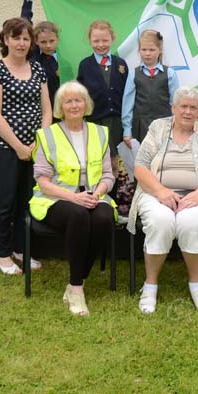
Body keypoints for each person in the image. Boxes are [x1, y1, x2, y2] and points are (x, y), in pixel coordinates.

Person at [128, 87, 198, 314]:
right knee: (161, 221)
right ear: (174, 108)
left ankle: (196, 285)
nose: (188, 111)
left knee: (191, 222)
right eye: (183, 106)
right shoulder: (158, 128)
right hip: (156, 193)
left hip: (195, 194)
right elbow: (140, 167)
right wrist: (161, 192)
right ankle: (150, 285)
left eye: (193, 107)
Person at [29, 81, 117, 316]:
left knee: (103, 217)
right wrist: (74, 198)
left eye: (78, 100)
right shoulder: (47, 135)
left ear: (86, 104)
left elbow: (109, 174)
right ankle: (77, 289)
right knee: (79, 215)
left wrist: (96, 194)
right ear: (60, 106)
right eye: (68, 101)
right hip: (55, 199)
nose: (74, 105)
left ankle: (75, 282)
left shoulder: (101, 132)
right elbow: (42, 181)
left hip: (93, 195)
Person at [0, 18, 51, 275]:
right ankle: (1, 254)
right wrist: (19, 146)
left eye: (26, 38)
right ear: (5, 40)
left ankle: (21, 249)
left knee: (29, 201)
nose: (21, 43)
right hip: (7, 148)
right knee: (5, 201)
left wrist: (37, 143)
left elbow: (47, 110)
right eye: (16, 38)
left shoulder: (38, 69)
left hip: (35, 147)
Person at [77, 20, 128, 182]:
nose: (101, 45)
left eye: (105, 40)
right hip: (96, 121)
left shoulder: (121, 64)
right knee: (102, 161)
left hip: (117, 121)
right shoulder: (85, 65)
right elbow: (81, 94)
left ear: (112, 38)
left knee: (117, 162)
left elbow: (127, 93)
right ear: (89, 41)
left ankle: (118, 198)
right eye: (96, 41)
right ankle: (101, 196)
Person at [122, 29, 179, 147]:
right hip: (140, 127)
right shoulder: (134, 74)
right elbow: (127, 105)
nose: (147, 53)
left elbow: (175, 103)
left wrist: (176, 127)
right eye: (144, 49)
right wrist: (127, 130)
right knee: (142, 162)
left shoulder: (170, 74)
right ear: (139, 50)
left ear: (160, 50)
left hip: (164, 126)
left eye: (152, 50)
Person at [20, 0, 60, 113]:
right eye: (43, 42)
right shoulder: (33, 55)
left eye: (51, 41)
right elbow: (24, 24)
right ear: (35, 41)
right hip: (36, 109)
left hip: (60, 110)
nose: (48, 45)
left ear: (58, 40)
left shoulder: (64, 59)